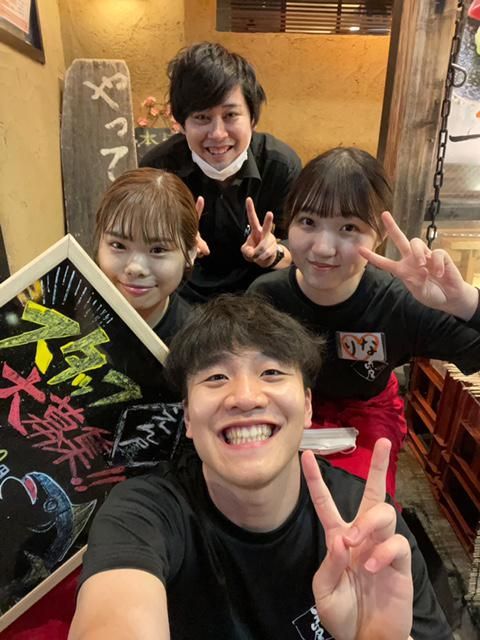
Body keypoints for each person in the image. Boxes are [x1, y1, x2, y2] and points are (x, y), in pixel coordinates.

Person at [68, 295, 451, 640]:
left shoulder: (365, 526)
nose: (245, 397)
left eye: (271, 373)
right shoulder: (141, 514)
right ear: (187, 417)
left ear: (307, 406)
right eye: (216, 377)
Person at [248, 147, 480, 499]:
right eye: (307, 222)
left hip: (366, 413)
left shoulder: (401, 303)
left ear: (379, 236)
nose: (323, 248)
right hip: (285, 408)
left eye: (349, 228)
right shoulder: (265, 296)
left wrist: (465, 302)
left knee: (358, 506)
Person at [140, 41, 301, 302]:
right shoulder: (158, 168)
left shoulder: (280, 165)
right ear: (181, 124)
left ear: (253, 119)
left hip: (260, 298)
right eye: (202, 117)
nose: (217, 134)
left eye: (230, 115)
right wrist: (171, 248)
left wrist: (274, 253)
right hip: (181, 296)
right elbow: (139, 250)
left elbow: (299, 246)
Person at [93, 167, 198, 345]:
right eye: (118, 246)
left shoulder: (198, 344)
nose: (135, 268)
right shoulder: (66, 310)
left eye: (158, 250)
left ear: (191, 252)